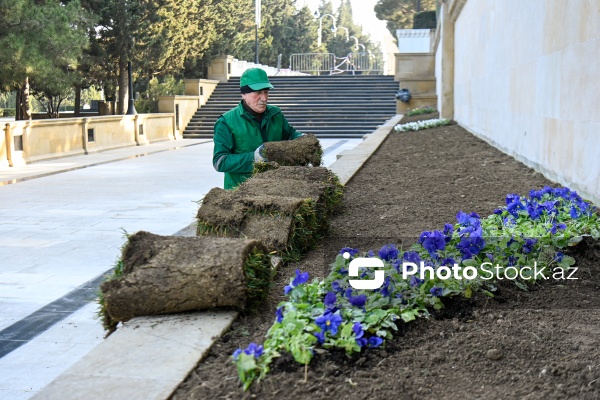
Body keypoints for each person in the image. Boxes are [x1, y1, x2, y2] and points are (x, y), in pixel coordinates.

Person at [212, 68, 304, 190]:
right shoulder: (226, 122)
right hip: (241, 193)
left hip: (275, 189)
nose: (264, 98)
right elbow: (220, 162)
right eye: (258, 92)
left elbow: (291, 134)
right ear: (244, 94)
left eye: (266, 92)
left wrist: (303, 139)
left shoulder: (275, 114)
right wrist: (255, 158)